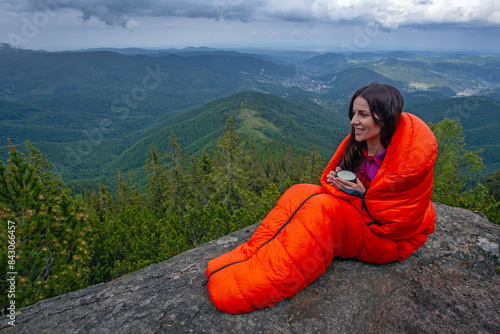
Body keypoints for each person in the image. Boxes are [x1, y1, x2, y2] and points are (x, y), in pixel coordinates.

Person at [205, 83, 437, 314]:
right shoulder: (360, 149)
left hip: (390, 239)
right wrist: (345, 188)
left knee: (321, 209)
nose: (353, 121)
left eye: (363, 115)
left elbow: (397, 225)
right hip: (362, 219)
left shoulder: (406, 165)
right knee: (300, 191)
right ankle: (248, 257)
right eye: (353, 113)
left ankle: (247, 288)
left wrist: (361, 195)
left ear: (386, 118)